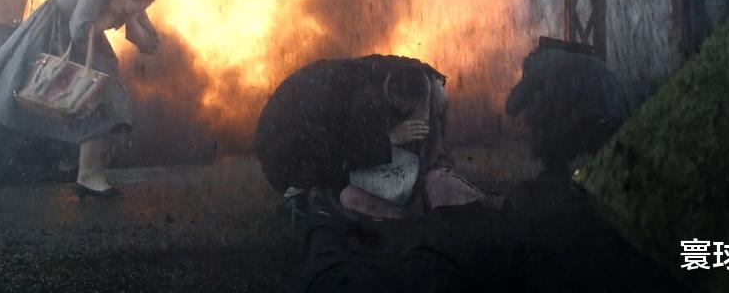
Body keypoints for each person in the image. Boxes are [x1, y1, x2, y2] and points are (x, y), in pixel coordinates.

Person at [0, 0, 159, 197]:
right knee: (29, 94)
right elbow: (79, 31)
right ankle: (1, 163)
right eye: (137, 5)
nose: (139, 10)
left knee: (105, 98)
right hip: (55, 37)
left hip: (85, 40)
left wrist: (142, 28)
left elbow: (143, 40)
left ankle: (89, 173)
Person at [255, 54, 483, 220]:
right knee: (341, 190)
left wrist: (434, 79)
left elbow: (400, 64)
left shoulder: (375, 74)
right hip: (285, 149)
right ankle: (305, 199)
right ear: (397, 101)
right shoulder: (363, 103)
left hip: (295, 126)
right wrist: (391, 140)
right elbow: (342, 152)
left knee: (351, 182)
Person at [505, 37, 632, 175]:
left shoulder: (546, 60)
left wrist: (512, 106)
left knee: (552, 144)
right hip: (613, 112)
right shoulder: (591, 64)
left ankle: (557, 179)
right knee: (612, 160)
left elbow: (523, 92)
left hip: (590, 115)